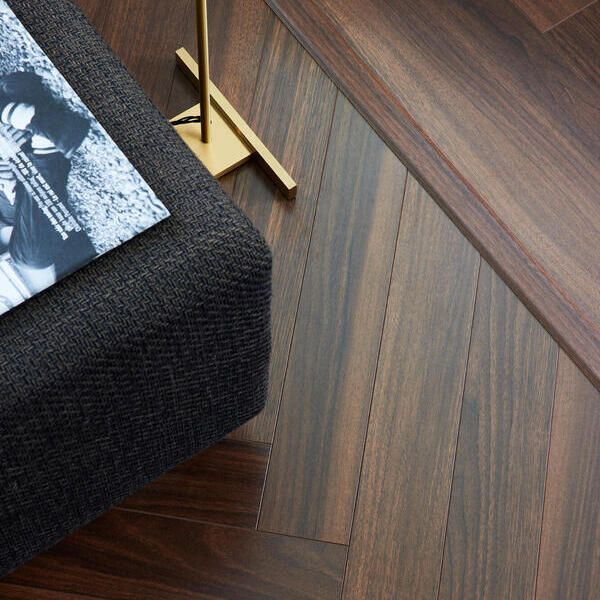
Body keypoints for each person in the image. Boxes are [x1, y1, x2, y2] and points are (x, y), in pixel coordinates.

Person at [0, 71, 96, 294]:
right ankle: (24, 115)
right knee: (31, 256)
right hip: (38, 246)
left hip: (8, 205)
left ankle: (29, 118)